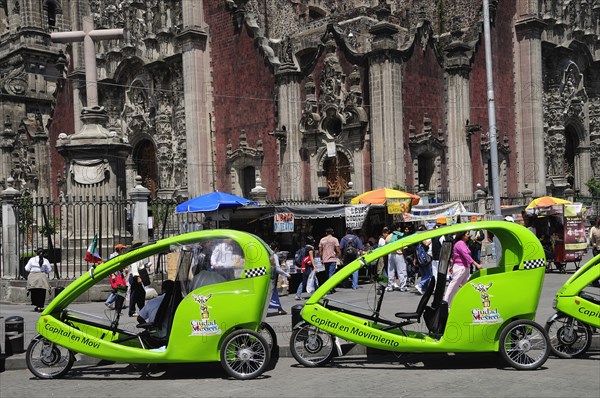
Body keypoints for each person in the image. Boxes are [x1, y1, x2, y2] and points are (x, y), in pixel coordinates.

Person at [443, 231, 483, 307]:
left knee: (466, 286)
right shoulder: (460, 244)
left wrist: (452, 266)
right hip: (461, 268)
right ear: (463, 236)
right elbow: (466, 255)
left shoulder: (462, 243)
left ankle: (469, 303)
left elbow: (456, 256)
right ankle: (445, 303)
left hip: (464, 267)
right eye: (467, 234)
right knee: (453, 286)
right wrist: (476, 264)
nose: (469, 235)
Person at [268, 241, 290, 315]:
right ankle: (279, 308)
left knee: (270, 294)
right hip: (271, 278)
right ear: (276, 249)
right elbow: (277, 268)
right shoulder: (274, 255)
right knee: (273, 293)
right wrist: (286, 274)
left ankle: (279, 308)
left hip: (263, 277)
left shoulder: (265, 252)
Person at [385, 223, 407, 292]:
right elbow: (404, 246)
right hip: (399, 254)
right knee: (401, 271)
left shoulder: (388, 237)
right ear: (397, 228)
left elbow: (386, 245)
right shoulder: (400, 235)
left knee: (391, 271)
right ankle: (402, 286)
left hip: (390, 254)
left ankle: (390, 286)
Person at [295, 236, 317, 300]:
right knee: (315, 280)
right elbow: (312, 258)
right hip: (309, 267)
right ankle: (318, 294)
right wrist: (315, 267)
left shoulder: (304, 248)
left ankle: (298, 295)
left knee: (304, 281)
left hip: (304, 267)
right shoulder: (310, 249)